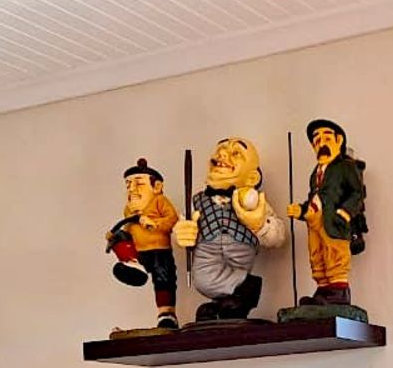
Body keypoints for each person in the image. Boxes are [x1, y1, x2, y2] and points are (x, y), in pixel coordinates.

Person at [172, 137, 286, 321]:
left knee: (215, 281)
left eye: (236, 153)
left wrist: (259, 225)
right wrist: (183, 233)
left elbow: (278, 238)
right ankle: (246, 287)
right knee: (201, 279)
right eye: (220, 149)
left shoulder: (255, 202)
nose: (222, 154)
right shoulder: (197, 201)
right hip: (207, 250)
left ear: (252, 178)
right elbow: (181, 226)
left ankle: (233, 300)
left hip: (241, 251)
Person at [286, 119, 367, 307]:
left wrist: (345, 213)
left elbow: (357, 193)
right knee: (317, 255)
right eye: (316, 140)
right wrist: (301, 211)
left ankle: (338, 292)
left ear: (339, 140)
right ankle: (323, 290)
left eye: (327, 138)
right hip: (315, 221)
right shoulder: (315, 173)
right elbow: (315, 197)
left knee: (335, 255)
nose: (321, 143)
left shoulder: (345, 167)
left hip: (334, 221)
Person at [105, 158, 180, 330]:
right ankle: (132, 264)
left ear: (157, 186)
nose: (132, 189)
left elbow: (172, 219)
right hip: (139, 251)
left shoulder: (160, 201)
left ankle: (166, 314)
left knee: (163, 281)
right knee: (120, 237)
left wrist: (154, 223)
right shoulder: (129, 209)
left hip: (159, 251)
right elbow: (128, 227)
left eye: (138, 184)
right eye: (128, 185)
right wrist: (114, 235)